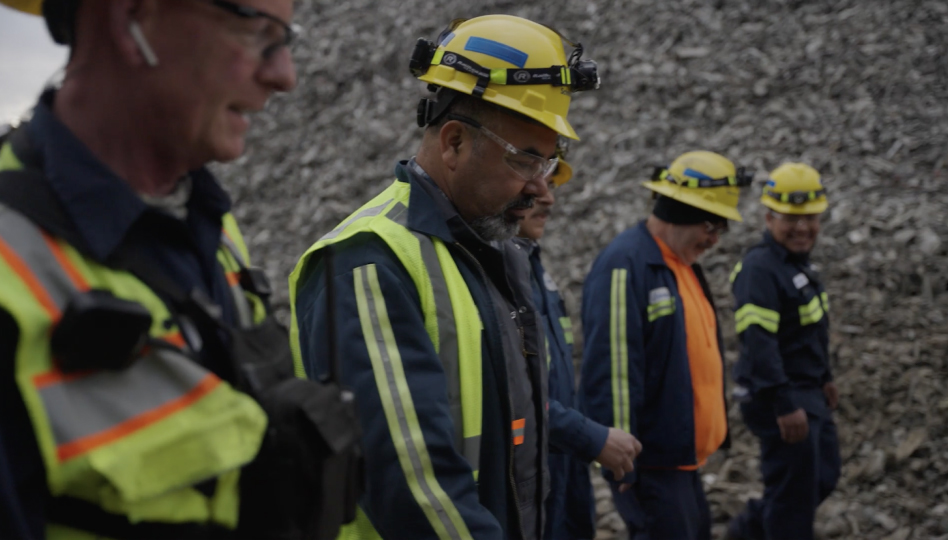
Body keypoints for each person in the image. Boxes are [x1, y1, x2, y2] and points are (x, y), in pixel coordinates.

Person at [0, 0, 343, 537]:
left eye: (287, 41)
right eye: (259, 33)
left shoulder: (210, 225)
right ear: (129, 19)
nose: (285, 76)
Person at [288, 14, 600, 539]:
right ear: (454, 142)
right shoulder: (369, 261)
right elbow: (412, 488)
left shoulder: (490, 252)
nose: (542, 190)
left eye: (549, 164)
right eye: (526, 161)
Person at [580, 151, 753, 539]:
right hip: (652, 464)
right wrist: (622, 460)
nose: (715, 238)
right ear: (680, 210)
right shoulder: (627, 265)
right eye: (712, 225)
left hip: (682, 462)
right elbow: (613, 368)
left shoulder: (679, 264)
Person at [515, 144, 641, 539]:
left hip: (562, 460)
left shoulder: (532, 268)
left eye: (551, 185)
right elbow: (513, 393)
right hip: (530, 469)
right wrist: (592, 437)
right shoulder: (501, 275)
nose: (548, 198)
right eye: (536, 185)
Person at [726, 163, 840, 540]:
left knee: (821, 477)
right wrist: (783, 402)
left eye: (810, 218)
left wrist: (824, 378)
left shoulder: (797, 265)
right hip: (781, 395)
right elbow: (759, 344)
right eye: (791, 219)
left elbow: (807, 333)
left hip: (806, 390)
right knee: (793, 501)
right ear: (769, 217)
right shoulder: (760, 269)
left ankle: (744, 534)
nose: (802, 228)